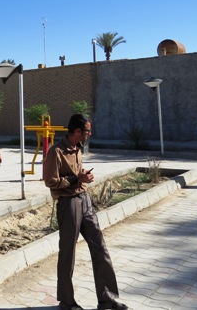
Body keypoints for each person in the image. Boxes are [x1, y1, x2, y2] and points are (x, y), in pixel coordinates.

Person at [43, 114, 128, 310]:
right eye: (87, 131)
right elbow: (50, 181)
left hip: (85, 201)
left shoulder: (78, 148)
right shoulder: (56, 151)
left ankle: (107, 299)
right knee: (68, 254)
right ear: (77, 131)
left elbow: (77, 176)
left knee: (100, 247)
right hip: (68, 204)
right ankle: (67, 302)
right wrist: (76, 179)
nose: (90, 134)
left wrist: (84, 177)